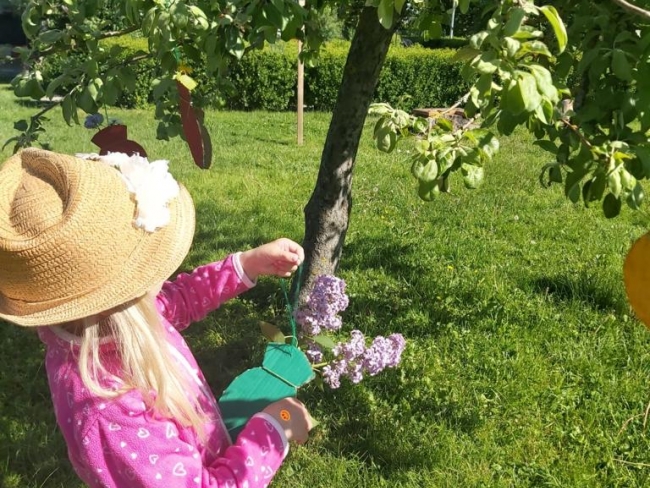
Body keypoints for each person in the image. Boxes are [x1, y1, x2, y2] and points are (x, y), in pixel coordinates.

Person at [0, 148, 314, 487]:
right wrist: (275, 425)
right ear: (122, 296)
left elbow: (174, 301)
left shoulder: (112, 323)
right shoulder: (111, 412)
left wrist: (246, 264)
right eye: (150, 264)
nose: (161, 276)